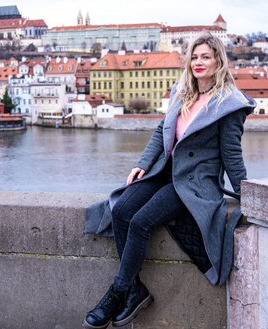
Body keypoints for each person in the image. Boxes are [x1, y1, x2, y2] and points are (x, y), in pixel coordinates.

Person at [82, 32, 256, 329]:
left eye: (206, 57)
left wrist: (248, 195)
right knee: (121, 210)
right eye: (194, 57)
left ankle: (118, 291)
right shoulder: (182, 90)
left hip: (194, 182)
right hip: (164, 170)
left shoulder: (229, 104)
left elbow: (231, 154)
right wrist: (142, 164)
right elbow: (160, 132)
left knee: (141, 222)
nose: (198, 62)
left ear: (218, 61)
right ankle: (135, 289)